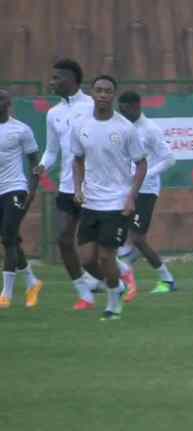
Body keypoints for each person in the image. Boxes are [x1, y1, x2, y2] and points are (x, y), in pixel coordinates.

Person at [71, 75, 148, 320]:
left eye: (107, 91)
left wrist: (131, 197)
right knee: (87, 260)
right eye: (99, 90)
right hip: (91, 201)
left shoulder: (125, 127)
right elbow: (77, 159)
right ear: (92, 93)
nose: (103, 94)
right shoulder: (81, 125)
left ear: (113, 95)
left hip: (116, 202)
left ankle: (113, 304)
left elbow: (141, 164)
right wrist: (78, 188)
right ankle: (118, 284)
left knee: (106, 256)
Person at [34, 59, 101, 309]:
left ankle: (120, 275)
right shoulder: (53, 114)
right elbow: (52, 152)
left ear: (72, 80)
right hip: (66, 186)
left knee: (94, 251)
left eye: (56, 78)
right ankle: (84, 295)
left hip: (94, 186)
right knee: (63, 240)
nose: (51, 83)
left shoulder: (93, 105)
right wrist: (42, 166)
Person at [117, 90, 179, 296]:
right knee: (121, 238)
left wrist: (146, 174)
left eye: (125, 110)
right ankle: (121, 277)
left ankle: (167, 279)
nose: (121, 113)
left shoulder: (150, 129)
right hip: (126, 190)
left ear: (136, 107)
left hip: (146, 190)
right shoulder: (123, 127)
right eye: (120, 110)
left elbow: (169, 159)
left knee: (137, 238)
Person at [0, 89, 44, 309]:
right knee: (12, 240)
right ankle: (32, 282)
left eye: (2, 99)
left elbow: (34, 162)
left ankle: (5, 294)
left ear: (8, 103)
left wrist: (33, 190)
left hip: (15, 189)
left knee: (8, 237)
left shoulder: (21, 129)